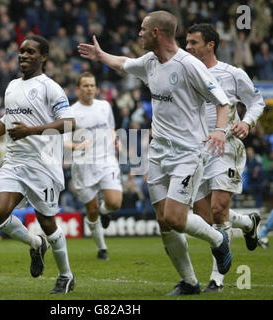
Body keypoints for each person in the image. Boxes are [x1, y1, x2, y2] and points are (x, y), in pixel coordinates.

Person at [78, 10, 232, 295]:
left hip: (188, 152)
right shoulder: (150, 62)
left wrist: (220, 131)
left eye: (142, 29)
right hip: (158, 152)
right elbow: (124, 63)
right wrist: (102, 56)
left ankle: (218, 240)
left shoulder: (189, 65)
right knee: (164, 222)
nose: (138, 34)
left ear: (156, 33)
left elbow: (222, 102)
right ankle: (189, 282)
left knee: (175, 217)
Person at [0, 34, 76, 294]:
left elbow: (69, 123)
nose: (24, 56)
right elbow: (6, 121)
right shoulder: (11, 86)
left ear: (43, 57)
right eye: (22, 51)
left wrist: (31, 131)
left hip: (43, 164)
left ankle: (66, 275)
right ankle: (35, 244)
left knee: (48, 222)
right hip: (15, 161)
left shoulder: (50, 87)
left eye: (31, 52)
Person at [186, 23, 266, 292]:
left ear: (211, 45)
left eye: (194, 42)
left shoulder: (232, 74)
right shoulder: (184, 71)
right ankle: (247, 222)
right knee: (204, 217)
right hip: (195, 150)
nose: (188, 47)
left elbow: (257, 101)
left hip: (225, 146)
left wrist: (247, 122)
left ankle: (216, 279)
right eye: (186, 43)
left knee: (219, 210)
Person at [64, 72, 122, 261]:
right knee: (91, 209)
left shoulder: (104, 106)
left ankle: (106, 213)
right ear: (78, 89)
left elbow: (111, 128)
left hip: (106, 160)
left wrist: (116, 140)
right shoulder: (71, 112)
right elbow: (63, 142)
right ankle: (102, 248)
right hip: (83, 165)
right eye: (86, 85)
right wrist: (76, 146)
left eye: (92, 85)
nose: (90, 89)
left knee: (114, 202)